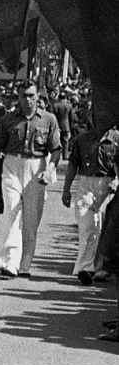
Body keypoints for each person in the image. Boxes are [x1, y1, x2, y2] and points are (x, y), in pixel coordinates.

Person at [0, 81, 62, 278]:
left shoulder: (48, 119)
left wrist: (50, 168)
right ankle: (10, 262)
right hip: (13, 165)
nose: (28, 100)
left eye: (31, 95)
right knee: (13, 212)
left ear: (38, 96)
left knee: (31, 220)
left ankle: (25, 265)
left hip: (37, 167)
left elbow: (56, 150)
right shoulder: (7, 120)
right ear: (18, 97)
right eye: (24, 95)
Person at [60, 116, 119, 285]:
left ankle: (100, 267)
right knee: (87, 225)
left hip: (108, 184)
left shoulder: (116, 138)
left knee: (102, 228)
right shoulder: (82, 140)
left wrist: (116, 180)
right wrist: (66, 190)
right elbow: (73, 165)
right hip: (86, 183)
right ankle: (84, 268)